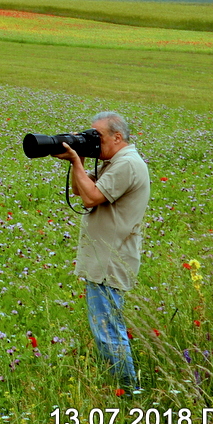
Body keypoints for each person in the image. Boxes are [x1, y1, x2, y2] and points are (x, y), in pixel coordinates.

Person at [56, 111, 150, 391]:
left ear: (117, 137)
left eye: (97, 136)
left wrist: (75, 160)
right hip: (105, 257)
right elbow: (79, 190)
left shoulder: (127, 165)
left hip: (111, 259)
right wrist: (80, 161)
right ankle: (123, 386)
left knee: (108, 331)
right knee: (106, 329)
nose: (92, 140)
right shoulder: (117, 162)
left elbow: (91, 197)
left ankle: (128, 390)